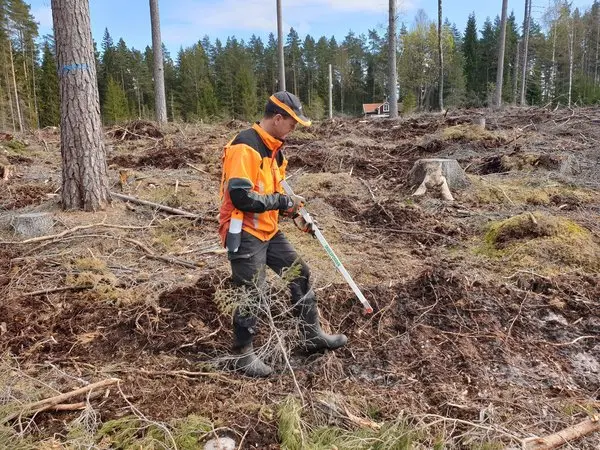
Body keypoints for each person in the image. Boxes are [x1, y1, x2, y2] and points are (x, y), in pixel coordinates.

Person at [218, 91, 347, 378]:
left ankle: (311, 334)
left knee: (299, 272)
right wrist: (281, 203)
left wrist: (292, 210)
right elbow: (240, 196)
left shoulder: (275, 149)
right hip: (245, 230)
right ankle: (243, 354)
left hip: (268, 228)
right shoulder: (245, 147)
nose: (294, 129)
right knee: (251, 290)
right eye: (292, 123)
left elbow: (272, 192)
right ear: (277, 118)